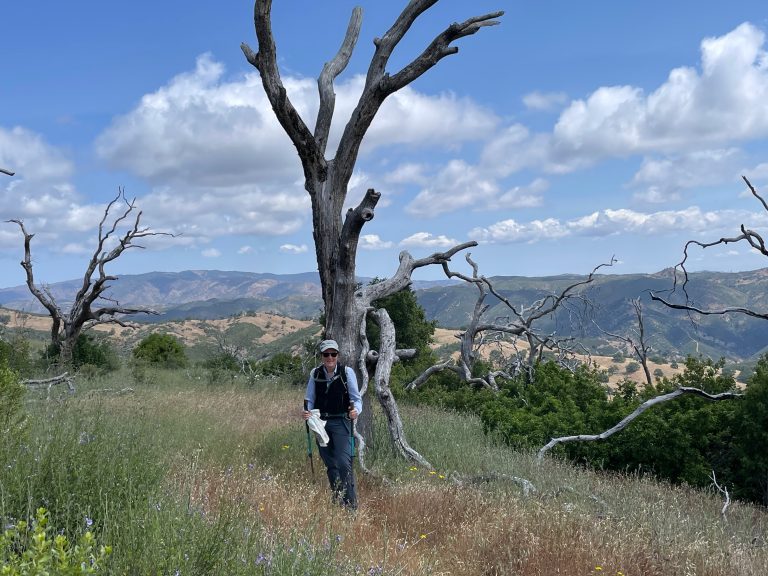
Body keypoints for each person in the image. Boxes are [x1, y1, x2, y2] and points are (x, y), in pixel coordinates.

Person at [302, 339, 362, 510]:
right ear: (321, 356)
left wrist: (356, 411)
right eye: (326, 354)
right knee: (331, 464)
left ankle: (350, 507)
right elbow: (309, 399)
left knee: (344, 463)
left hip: (341, 422)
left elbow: (356, 399)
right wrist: (306, 412)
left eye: (333, 354)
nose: (330, 357)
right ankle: (338, 501)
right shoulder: (315, 373)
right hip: (320, 423)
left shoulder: (346, 372)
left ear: (338, 355)